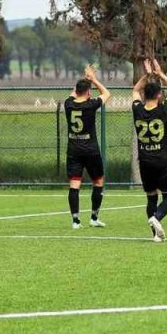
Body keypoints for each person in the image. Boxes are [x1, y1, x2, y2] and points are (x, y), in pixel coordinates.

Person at [132, 60, 167, 243]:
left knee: (151, 197)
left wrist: (146, 76)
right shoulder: (163, 110)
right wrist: (160, 74)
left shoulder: (137, 109)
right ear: (160, 95)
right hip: (161, 161)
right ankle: (157, 218)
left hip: (144, 161)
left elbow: (135, 90)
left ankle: (155, 235)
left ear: (145, 95)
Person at [65, 64, 111, 229]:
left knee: (74, 185)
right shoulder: (91, 105)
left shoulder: (68, 104)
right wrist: (93, 79)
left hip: (74, 150)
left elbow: (74, 93)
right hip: (90, 150)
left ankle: (75, 221)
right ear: (89, 92)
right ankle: (93, 217)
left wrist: (84, 79)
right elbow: (107, 93)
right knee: (98, 182)